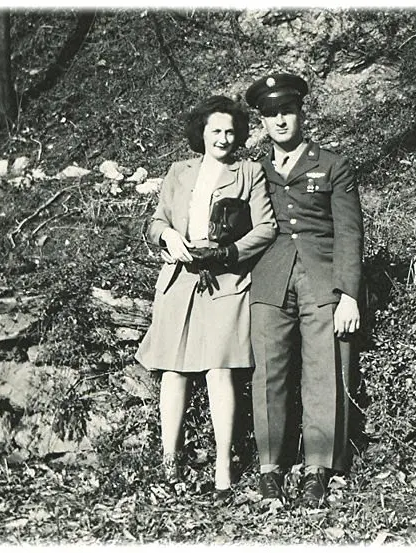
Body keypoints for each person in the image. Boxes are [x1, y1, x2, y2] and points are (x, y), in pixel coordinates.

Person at [135, 95, 277, 499]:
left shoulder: (249, 172)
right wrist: (167, 236)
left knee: (219, 370)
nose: (223, 138)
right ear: (201, 132)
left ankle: (222, 468)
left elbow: (265, 228)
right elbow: (156, 220)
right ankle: (169, 463)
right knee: (173, 371)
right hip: (179, 280)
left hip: (225, 281)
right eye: (215, 130)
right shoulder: (180, 172)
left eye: (231, 131)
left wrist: (229, 253)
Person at [245, 73, 364, 506]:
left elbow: (349, 232)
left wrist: (348, 293)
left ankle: (318, 468)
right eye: (271, 114)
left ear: (300, 113)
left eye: (287, 111)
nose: (280, 120)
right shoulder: (253, 170)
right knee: (268, 374)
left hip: (321, 277)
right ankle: (269, 468)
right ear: (262, 122)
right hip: (269, 278)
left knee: (324, 371)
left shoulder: (332, 164)